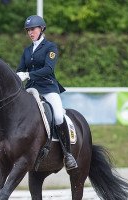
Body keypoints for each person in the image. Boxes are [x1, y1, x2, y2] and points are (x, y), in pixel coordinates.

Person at [16, 15, 78, 171]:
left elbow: (48, 69)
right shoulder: (27, 50)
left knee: (58, 115)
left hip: (48, 88)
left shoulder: (50, 47)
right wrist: (18, 75)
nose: (30, 32)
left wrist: (28, 74)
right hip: (31, 89)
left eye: (33, 29)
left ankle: (67, 154)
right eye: (28, 30)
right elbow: (20, 69)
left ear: (41, 29)